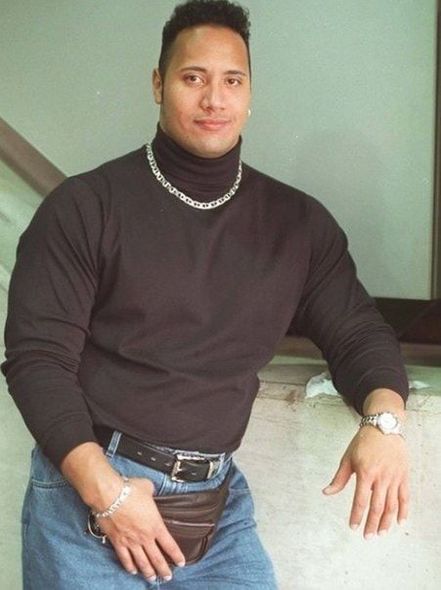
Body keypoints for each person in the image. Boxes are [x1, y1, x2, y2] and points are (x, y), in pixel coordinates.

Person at [2, 1, 409, 588]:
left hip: (216, 509)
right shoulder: (86, 207)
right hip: (90, 498)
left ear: (250, 93)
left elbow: (356, 331)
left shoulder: (296, 224)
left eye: (232, 81)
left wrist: (384, 422)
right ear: (158, 84)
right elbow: (37, 359)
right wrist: (106, 493)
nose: (214, 99)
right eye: (193, 78)